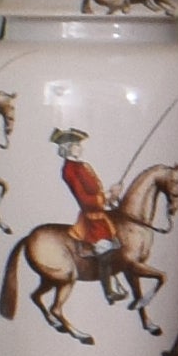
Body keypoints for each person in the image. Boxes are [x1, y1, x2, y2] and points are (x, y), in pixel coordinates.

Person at [51, 128, 126, 303]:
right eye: (77, 145)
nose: (80, 148)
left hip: (101, 215)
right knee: (105, 254)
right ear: (68, 148)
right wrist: (105, 196)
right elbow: (84, 198)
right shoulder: (70, 170)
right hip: (91, 219)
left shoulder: (83, 166)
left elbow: (96, 190)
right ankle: (109, 292)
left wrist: (111, 195)